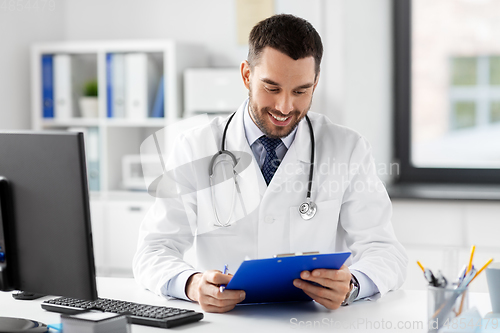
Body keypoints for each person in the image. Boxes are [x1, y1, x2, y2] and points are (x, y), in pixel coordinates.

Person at [133, 14, 408, 313]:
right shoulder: (195, 148)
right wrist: (191, 283)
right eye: (272, 88)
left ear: (315, 83)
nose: (284, 107)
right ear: (247, 75)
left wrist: (353, 284)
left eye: (301, 91)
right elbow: (153, 250)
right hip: (225, 325)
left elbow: (385, 251)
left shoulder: (348, 149)